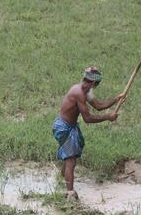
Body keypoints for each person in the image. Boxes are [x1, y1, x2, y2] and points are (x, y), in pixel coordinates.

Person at [52, 66, 125, 200]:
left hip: (71, 126)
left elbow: (98, 106)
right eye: (96, 84)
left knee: (73, 150)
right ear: (93, 83)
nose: (95, 87)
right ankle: (69, 193)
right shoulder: (79, 93)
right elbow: (88, 119)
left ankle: (63, 175)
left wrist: (116, 99)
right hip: (63, 127)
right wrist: (108, 117)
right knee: (71, 159)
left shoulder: (86, 90)